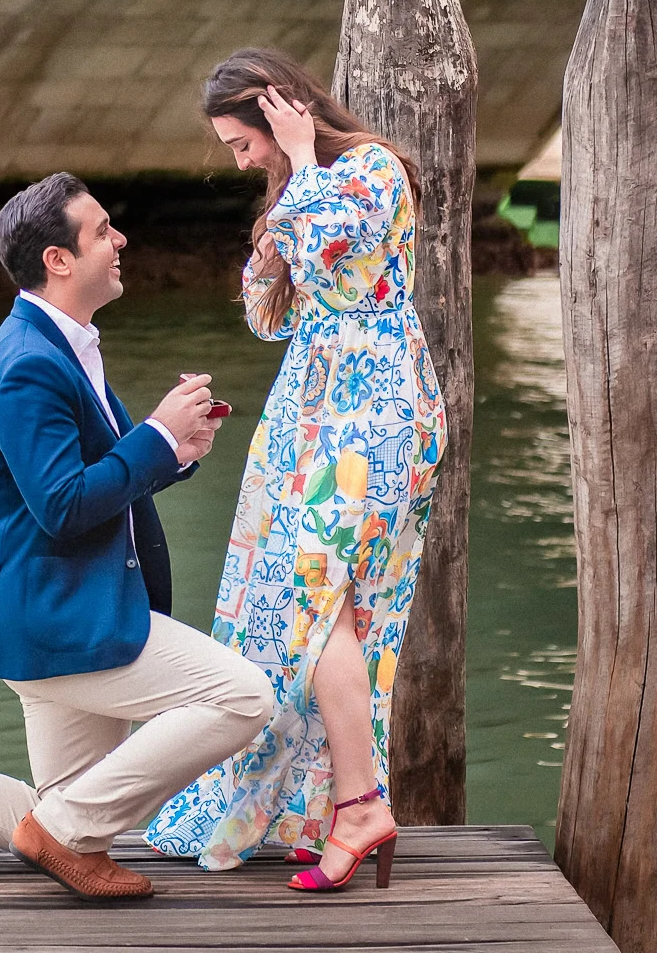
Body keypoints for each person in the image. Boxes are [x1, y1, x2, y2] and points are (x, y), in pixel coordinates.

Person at [0, 173, 274, 901]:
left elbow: (93, 477)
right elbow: (63, 505)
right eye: (102, 230)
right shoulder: (29, 364)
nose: (120, 238)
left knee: (66, 812)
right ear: (59, 260)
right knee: (245, 696)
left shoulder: (60, 340)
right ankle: (59, 834)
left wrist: (173, 451)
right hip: (64, 617)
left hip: (58, 612)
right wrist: (155, 435)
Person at [143, 49, 447, 892]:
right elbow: (268, 314)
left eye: (245, 141)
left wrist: (303, 162)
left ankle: (359, 804)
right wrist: (277, 230)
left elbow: (335, 262)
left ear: (283, 112)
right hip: (309, 417)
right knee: (301, 606)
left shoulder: (372, 170)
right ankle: (322, 809)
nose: (240, 160)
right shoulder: (296, 187)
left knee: (322, 598)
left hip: (375, 411)